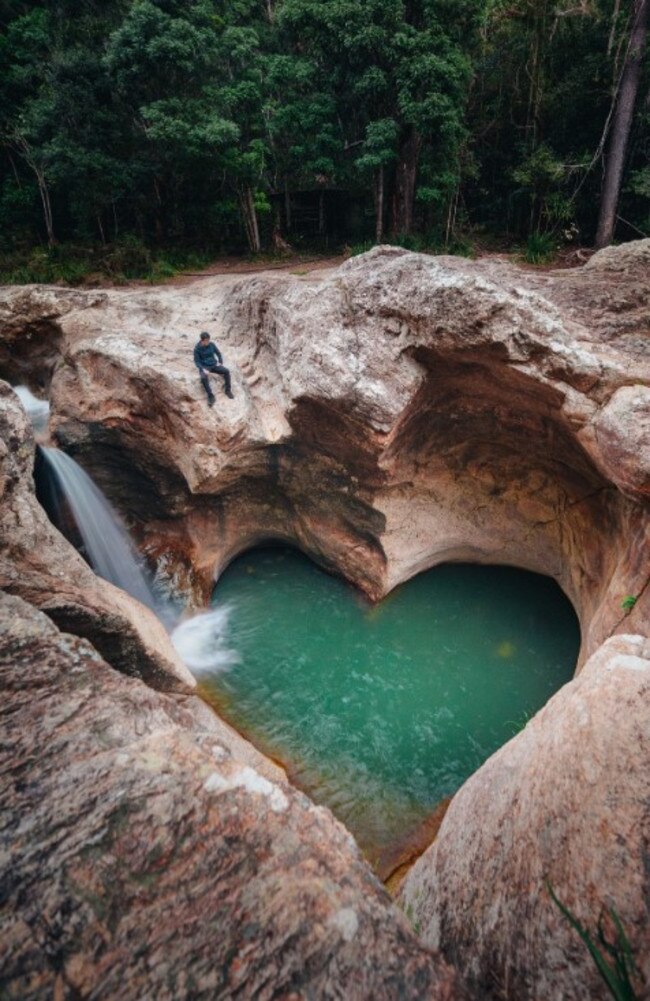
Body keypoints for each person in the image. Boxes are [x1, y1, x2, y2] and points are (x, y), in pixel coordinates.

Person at [193, 331, 234, 406]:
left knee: (226, 371)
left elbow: (218, 353)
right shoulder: (197, 349)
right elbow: (197, 362)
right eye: (207, 340)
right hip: (205, 366)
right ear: (202, 340)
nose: (208, 342)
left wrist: (220, 362)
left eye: (209, 340)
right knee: (203, 378)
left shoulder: (211, 345)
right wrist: (203, 369)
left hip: (214, 364)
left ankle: (227, 390)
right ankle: (210, 395)